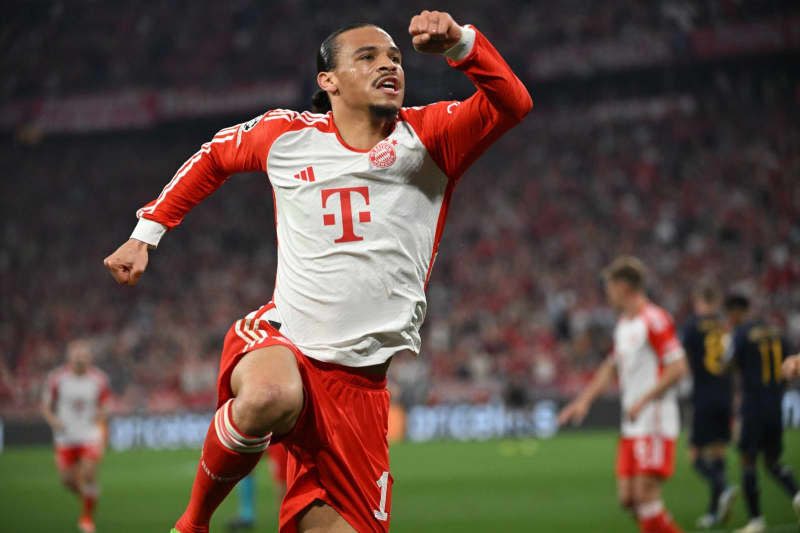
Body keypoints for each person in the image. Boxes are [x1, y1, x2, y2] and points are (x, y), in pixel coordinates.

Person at [103, 9, 531, 533]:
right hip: (285, 339)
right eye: (368, 57)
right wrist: (147, 233)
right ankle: (192, 523)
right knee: (268, 396)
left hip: (361, 391)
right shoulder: (287, 136)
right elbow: (214, 155)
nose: (388, 65)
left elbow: (513, 104)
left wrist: (462, 42)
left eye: (395, 57)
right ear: (327, 81)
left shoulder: (432, 137)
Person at [558, 256, 688, 533]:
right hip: (632, 422)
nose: (607, 292)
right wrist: (583, 401)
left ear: (623, 286)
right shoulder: (624, 324)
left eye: (610, 286)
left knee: (645, 496)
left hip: (653, 418)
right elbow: (611, 366)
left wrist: (643, 399)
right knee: (628, 499)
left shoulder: (654, 319)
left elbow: (678, 367)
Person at [723, 294, 800, 533]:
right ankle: (798, 495)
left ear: (735, 312)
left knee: (748, 460)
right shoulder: (776, 332)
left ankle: (756, 520)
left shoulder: (740, 333)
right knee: (772, 461)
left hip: (753, 404)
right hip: (776, 403)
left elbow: (728, 364)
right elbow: (790, 364)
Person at [680, 283, 737, 528]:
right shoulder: (726, 326)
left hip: (703, 396)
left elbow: (681, 359)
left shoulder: (692, 325)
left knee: (694, 455)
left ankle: (723, 488)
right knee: (717, 453)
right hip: (725, 395)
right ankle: (714, 512)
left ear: (700, 302)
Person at [41, 339, 111, 533]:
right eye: (76, 354)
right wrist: (53, 420)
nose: (80, 358)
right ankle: (91, 496)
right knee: (67, 481)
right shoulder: (56, 378)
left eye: (83, 354)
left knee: (88, 473)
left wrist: (102, 415)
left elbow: (105, 405)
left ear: (89, 357)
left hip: (89, 434)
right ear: (69, 356)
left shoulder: (99, 379)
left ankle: (87, 519)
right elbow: (46, 406)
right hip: (65, 437)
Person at [227, 444, 289, 531]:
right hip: (266, 435)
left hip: (279, 439)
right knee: (246, 463)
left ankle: (287, 520)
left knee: (282, 479)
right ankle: (246, 516)